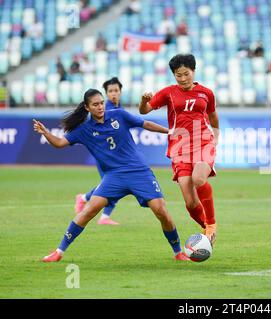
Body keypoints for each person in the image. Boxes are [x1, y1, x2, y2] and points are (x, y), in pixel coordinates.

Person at [34, 88, 190, 262]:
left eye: (101, 103)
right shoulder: (83, 129)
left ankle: (178, 252)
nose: (100, 107)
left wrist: (168, 132)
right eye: (95, 104)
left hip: (139, 171)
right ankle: (58, 252)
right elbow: (60, 143)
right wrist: (46, 133)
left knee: (160, 210)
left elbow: (144, 124)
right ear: (87, 107)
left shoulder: (119, 115)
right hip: (113, 177)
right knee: (88, 211)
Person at [139, 54, 219, 245]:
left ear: (193, 71)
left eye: (186, 74)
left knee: (199, 179)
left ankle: (212, 225)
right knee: (190, 202)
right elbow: (145, 110)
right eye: (178, 75)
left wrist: (216, 137)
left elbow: (213, 116)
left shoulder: (206, 93)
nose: (183, 78)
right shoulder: (168, 93)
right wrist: (143, 100)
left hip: (203, 142)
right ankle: (206, 229)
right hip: (180, 147)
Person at [74, 77, 125, 225]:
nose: (114, 93)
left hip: (116, 156)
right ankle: (95, 209)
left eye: (116, 90)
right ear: (106, 93)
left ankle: (85, 200)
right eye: (110, 91)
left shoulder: (119, 108)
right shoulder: (103, 109)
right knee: (112, 185)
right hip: (105, 156)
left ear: (120, 92)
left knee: (112, 185)